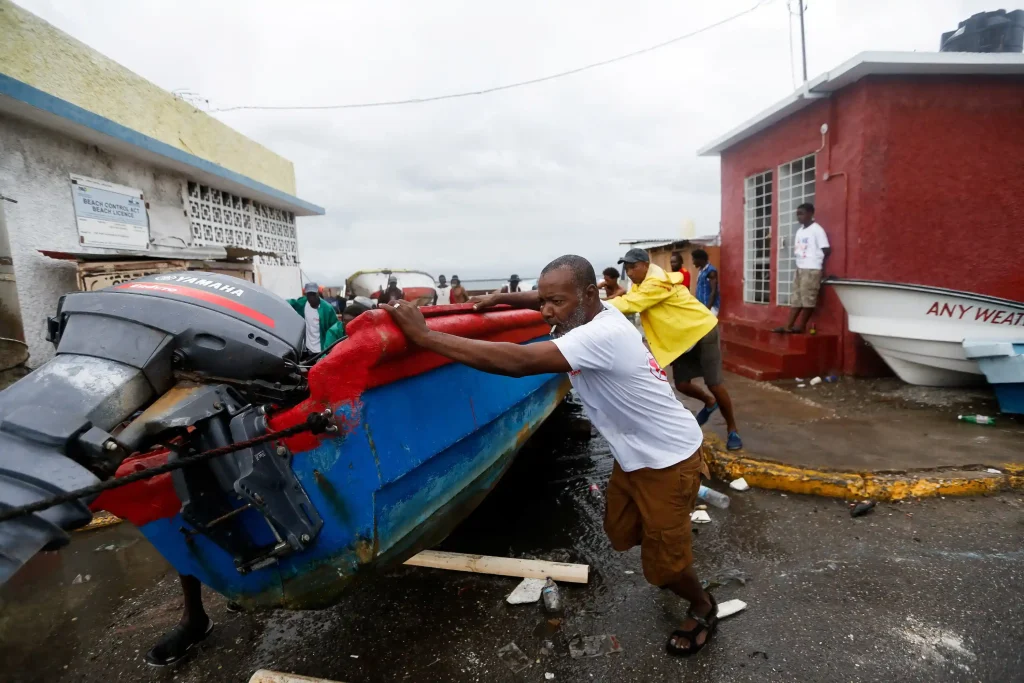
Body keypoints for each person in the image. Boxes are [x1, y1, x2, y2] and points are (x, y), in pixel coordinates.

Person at [384, 255, 720, 656]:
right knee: (619, 533)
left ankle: (702, 605)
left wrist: (426, 337)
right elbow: (544, 297)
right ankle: (668, 543)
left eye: (555, 303)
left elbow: (520, 362)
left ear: (590, 294)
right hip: (634, 457)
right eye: (543, 302)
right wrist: (499, 298)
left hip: (669, 460)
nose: (546, 312)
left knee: (664, 567)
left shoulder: (599, 336)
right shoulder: (598, 312)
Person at [611, 248, 742, 451]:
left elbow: (630, 304)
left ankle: (732, 429)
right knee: (681, 384)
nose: (629, 272)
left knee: (714, 384)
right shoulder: (640, 285)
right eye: (626, 269)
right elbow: (629, 300)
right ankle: (709, 402)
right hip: (682, 336)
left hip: (702, 328)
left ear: (646, 265)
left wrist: (595, 305)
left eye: (633, 267)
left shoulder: (656, 282)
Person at [774, 203, 831, 333]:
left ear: (811, 214)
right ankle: (788, 326)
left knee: (808, 299)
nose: (799, 217)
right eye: (797, 214)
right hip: (800, 269)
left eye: (802, 213)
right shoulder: (800, 231)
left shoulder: (817, 230)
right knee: (797, 298)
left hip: (811, 269)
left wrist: (816, 262)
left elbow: (826, 249)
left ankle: (801, 326)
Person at [287, 282, 339, 359]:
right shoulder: (303, 303)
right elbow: (290, 303)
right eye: (309, 295)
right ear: (306, 295)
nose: (311, 298)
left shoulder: (327, 309)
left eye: (313, 294)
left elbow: (335, 329)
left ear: (318, 293)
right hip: (307, 348)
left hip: (322, 349)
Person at [692, 249, 720, 317]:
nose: (693, 262)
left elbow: (714, 292)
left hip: (710, 308)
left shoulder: (711, 271)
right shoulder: (701, 270)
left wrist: (708, 309)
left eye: (694, 259)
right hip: (702, 306)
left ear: (700, 259)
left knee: (709, 327)